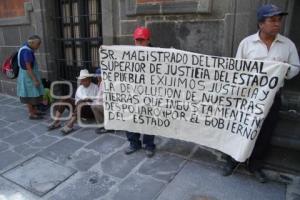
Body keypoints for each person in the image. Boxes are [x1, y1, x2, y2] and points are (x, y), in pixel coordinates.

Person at [221, 4, 300, 183]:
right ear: (261, 24)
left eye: (279, 20)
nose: (277, 24)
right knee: (240, 128)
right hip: (248, 96)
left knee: (265, 133)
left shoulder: (287, 45)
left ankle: (255, 165)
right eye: (272, 20)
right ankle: (232, 160)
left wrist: (282, 70)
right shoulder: (247, 43)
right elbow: (237, 68)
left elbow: (295, 67)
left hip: (272, 97)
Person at [124, 26, 156, 158]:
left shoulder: (158, 54)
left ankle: (149, 145)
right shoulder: (126, 54)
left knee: (148, 120)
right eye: (138, 40)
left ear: (148, 40)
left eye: (142, 40)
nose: (140, 43)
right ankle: (134, 143)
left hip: (149, 94)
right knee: (130, 118)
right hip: (132, 93)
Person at [47, 69, 99, 134]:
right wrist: (85, 99)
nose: (83, 82)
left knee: (81, 103)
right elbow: (80, 98)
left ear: (89, 79)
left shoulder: (95, 87)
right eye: (82, 80)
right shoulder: (80, 88)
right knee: (65, 99)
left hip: (90, 111)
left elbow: (97, 101)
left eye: (85, 79)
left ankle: (70, 125)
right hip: (79, 110)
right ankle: (56, 121)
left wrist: (88, 100)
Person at [17, 35, 45, 120]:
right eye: (38, 44)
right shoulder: (27, 52)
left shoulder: (26, 46)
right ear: (32, 43)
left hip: (26, 75)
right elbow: (28, 68)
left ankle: (34, 110)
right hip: (28, 76)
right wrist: (34, 79)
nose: (38, 46)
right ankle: (31, 113)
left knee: (33, 93)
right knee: (29, 95)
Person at [91, 67, 105, 134]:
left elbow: (101, 98)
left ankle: (104, 126)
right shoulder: (100, 83)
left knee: (94, 106)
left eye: (99, 76)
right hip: (103, 103)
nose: (97, 78)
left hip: (107, 105)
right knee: (94, 104)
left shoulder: (104, 83)